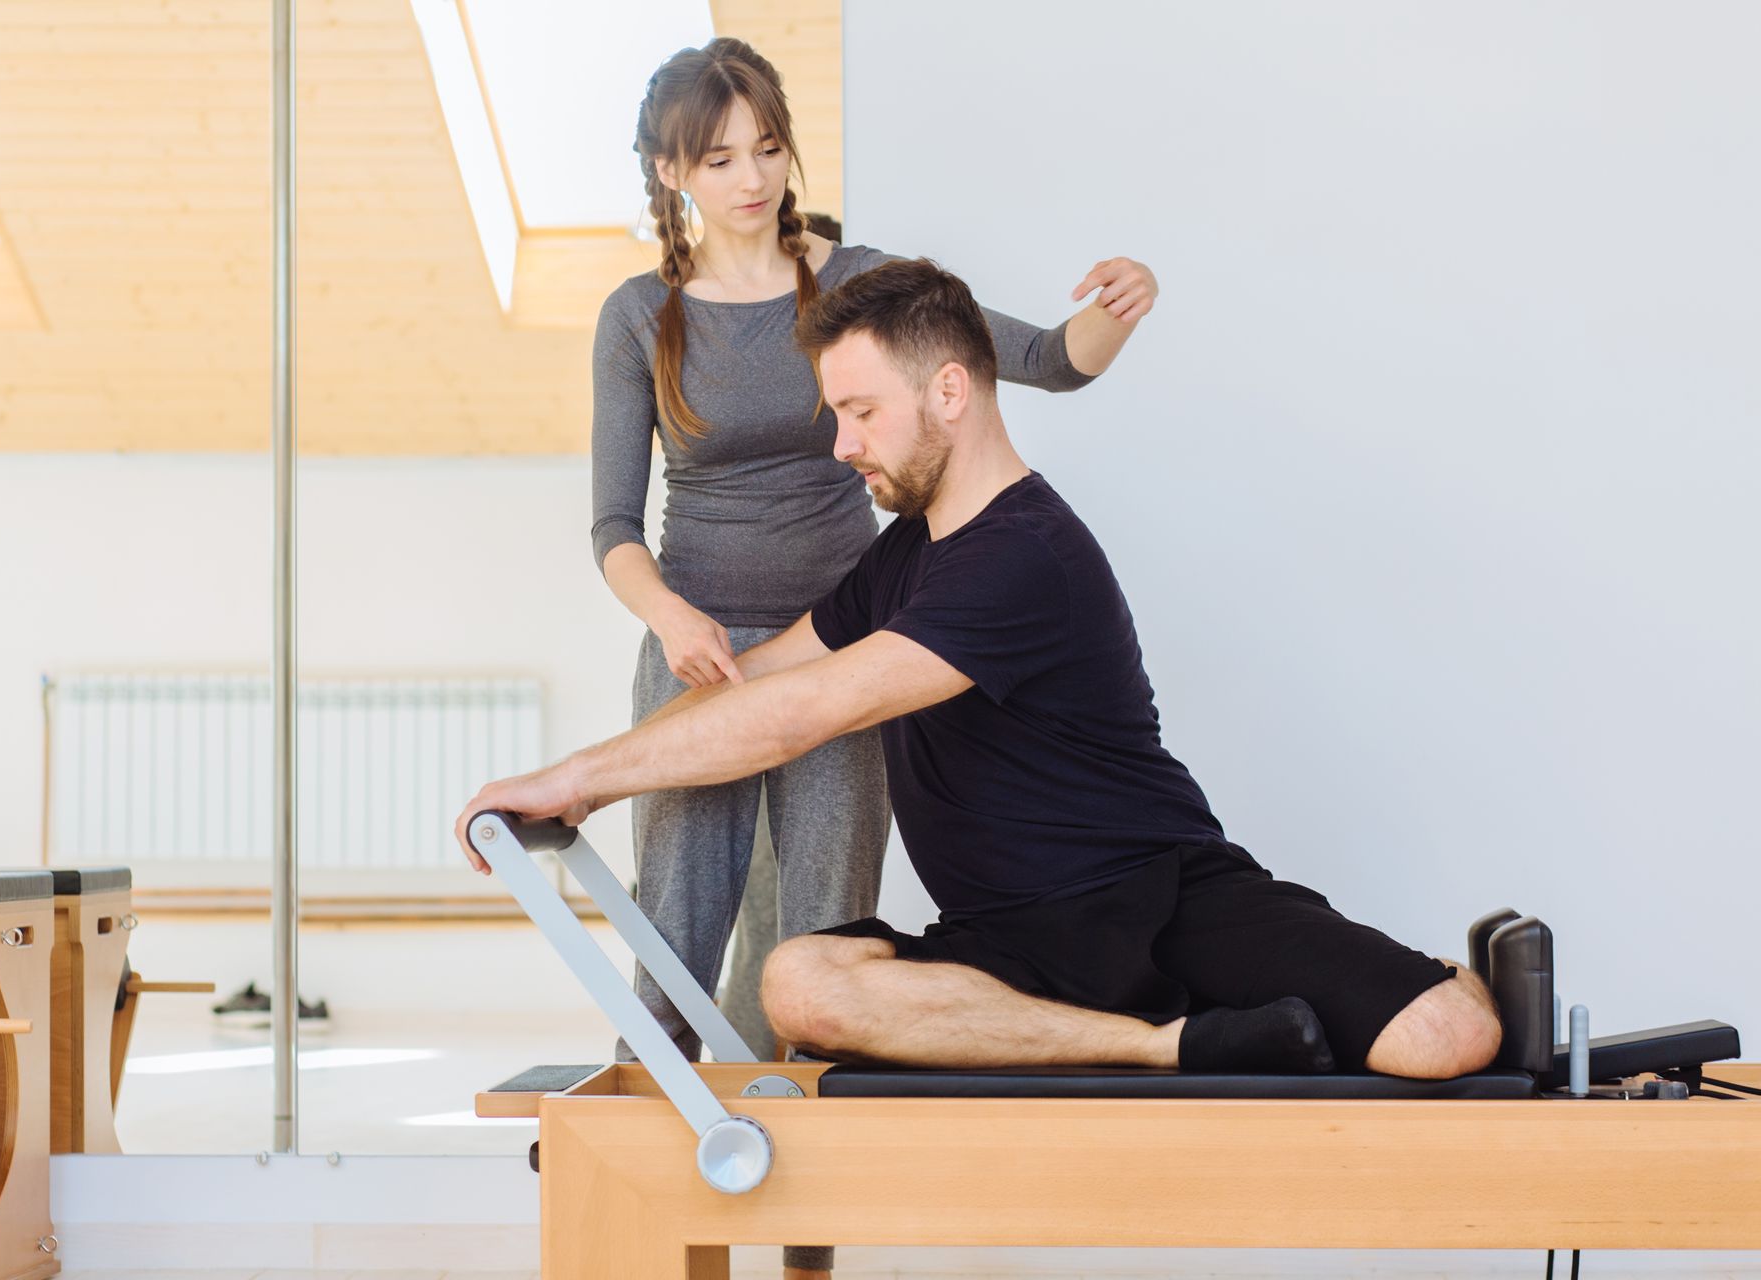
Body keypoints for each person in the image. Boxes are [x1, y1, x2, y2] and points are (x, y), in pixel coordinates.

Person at [462, 257, 1502, 1097]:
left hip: (1158, 899)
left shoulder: (1025, 553)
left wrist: (577, 785)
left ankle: (1427, 980)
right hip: (1007, 948)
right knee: (802, 981)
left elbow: (803, 711)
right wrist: (576, 771)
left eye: (861, 413)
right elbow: (760, 675)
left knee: (1446, 1031)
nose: (840, 446)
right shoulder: (906, 553)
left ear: (949, 390)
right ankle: (1162, 1047)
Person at [593, 37, 1156, 1090]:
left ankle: (809, 1224)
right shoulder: (637, 317)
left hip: (845, 650)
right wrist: (672, 619)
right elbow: (612, 527)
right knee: (673, 934)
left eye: (767, 148)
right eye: (719, 159)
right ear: (671, 173)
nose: (753, 178)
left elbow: (1042, 361)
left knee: (822, 934)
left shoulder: (853, 285)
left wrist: (1123, 299)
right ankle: (641, 1174)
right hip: (700, 655)